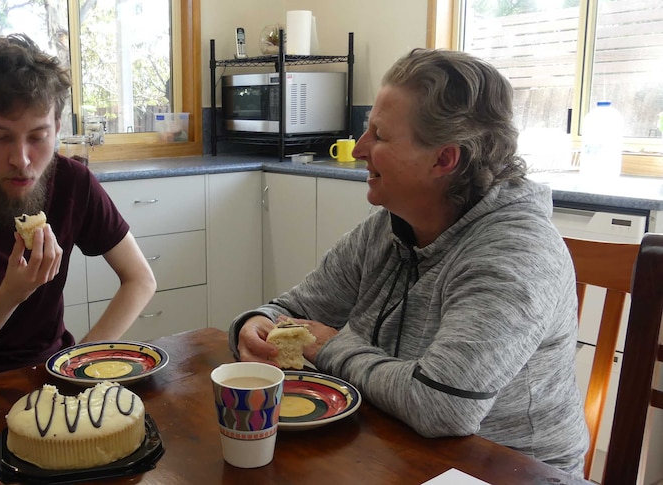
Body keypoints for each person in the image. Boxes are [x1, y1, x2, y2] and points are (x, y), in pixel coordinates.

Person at [229, 48, 588, 476]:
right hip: (394, 449)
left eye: (379, 136)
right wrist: (258, 323)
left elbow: (442, 406)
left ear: (444, 159)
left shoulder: (516, 252)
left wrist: (326, 346)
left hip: (505, 470)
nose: (359, 150)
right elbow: (298, 311)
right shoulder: (389, 226)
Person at [0, 34, 157, 387]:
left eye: (37, 137)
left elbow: (140, 279)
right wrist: (12, 294)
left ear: (58, 128)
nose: (21, 160)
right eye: (0, 137)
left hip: (52, 372)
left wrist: (81, 362)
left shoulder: (73, 182)